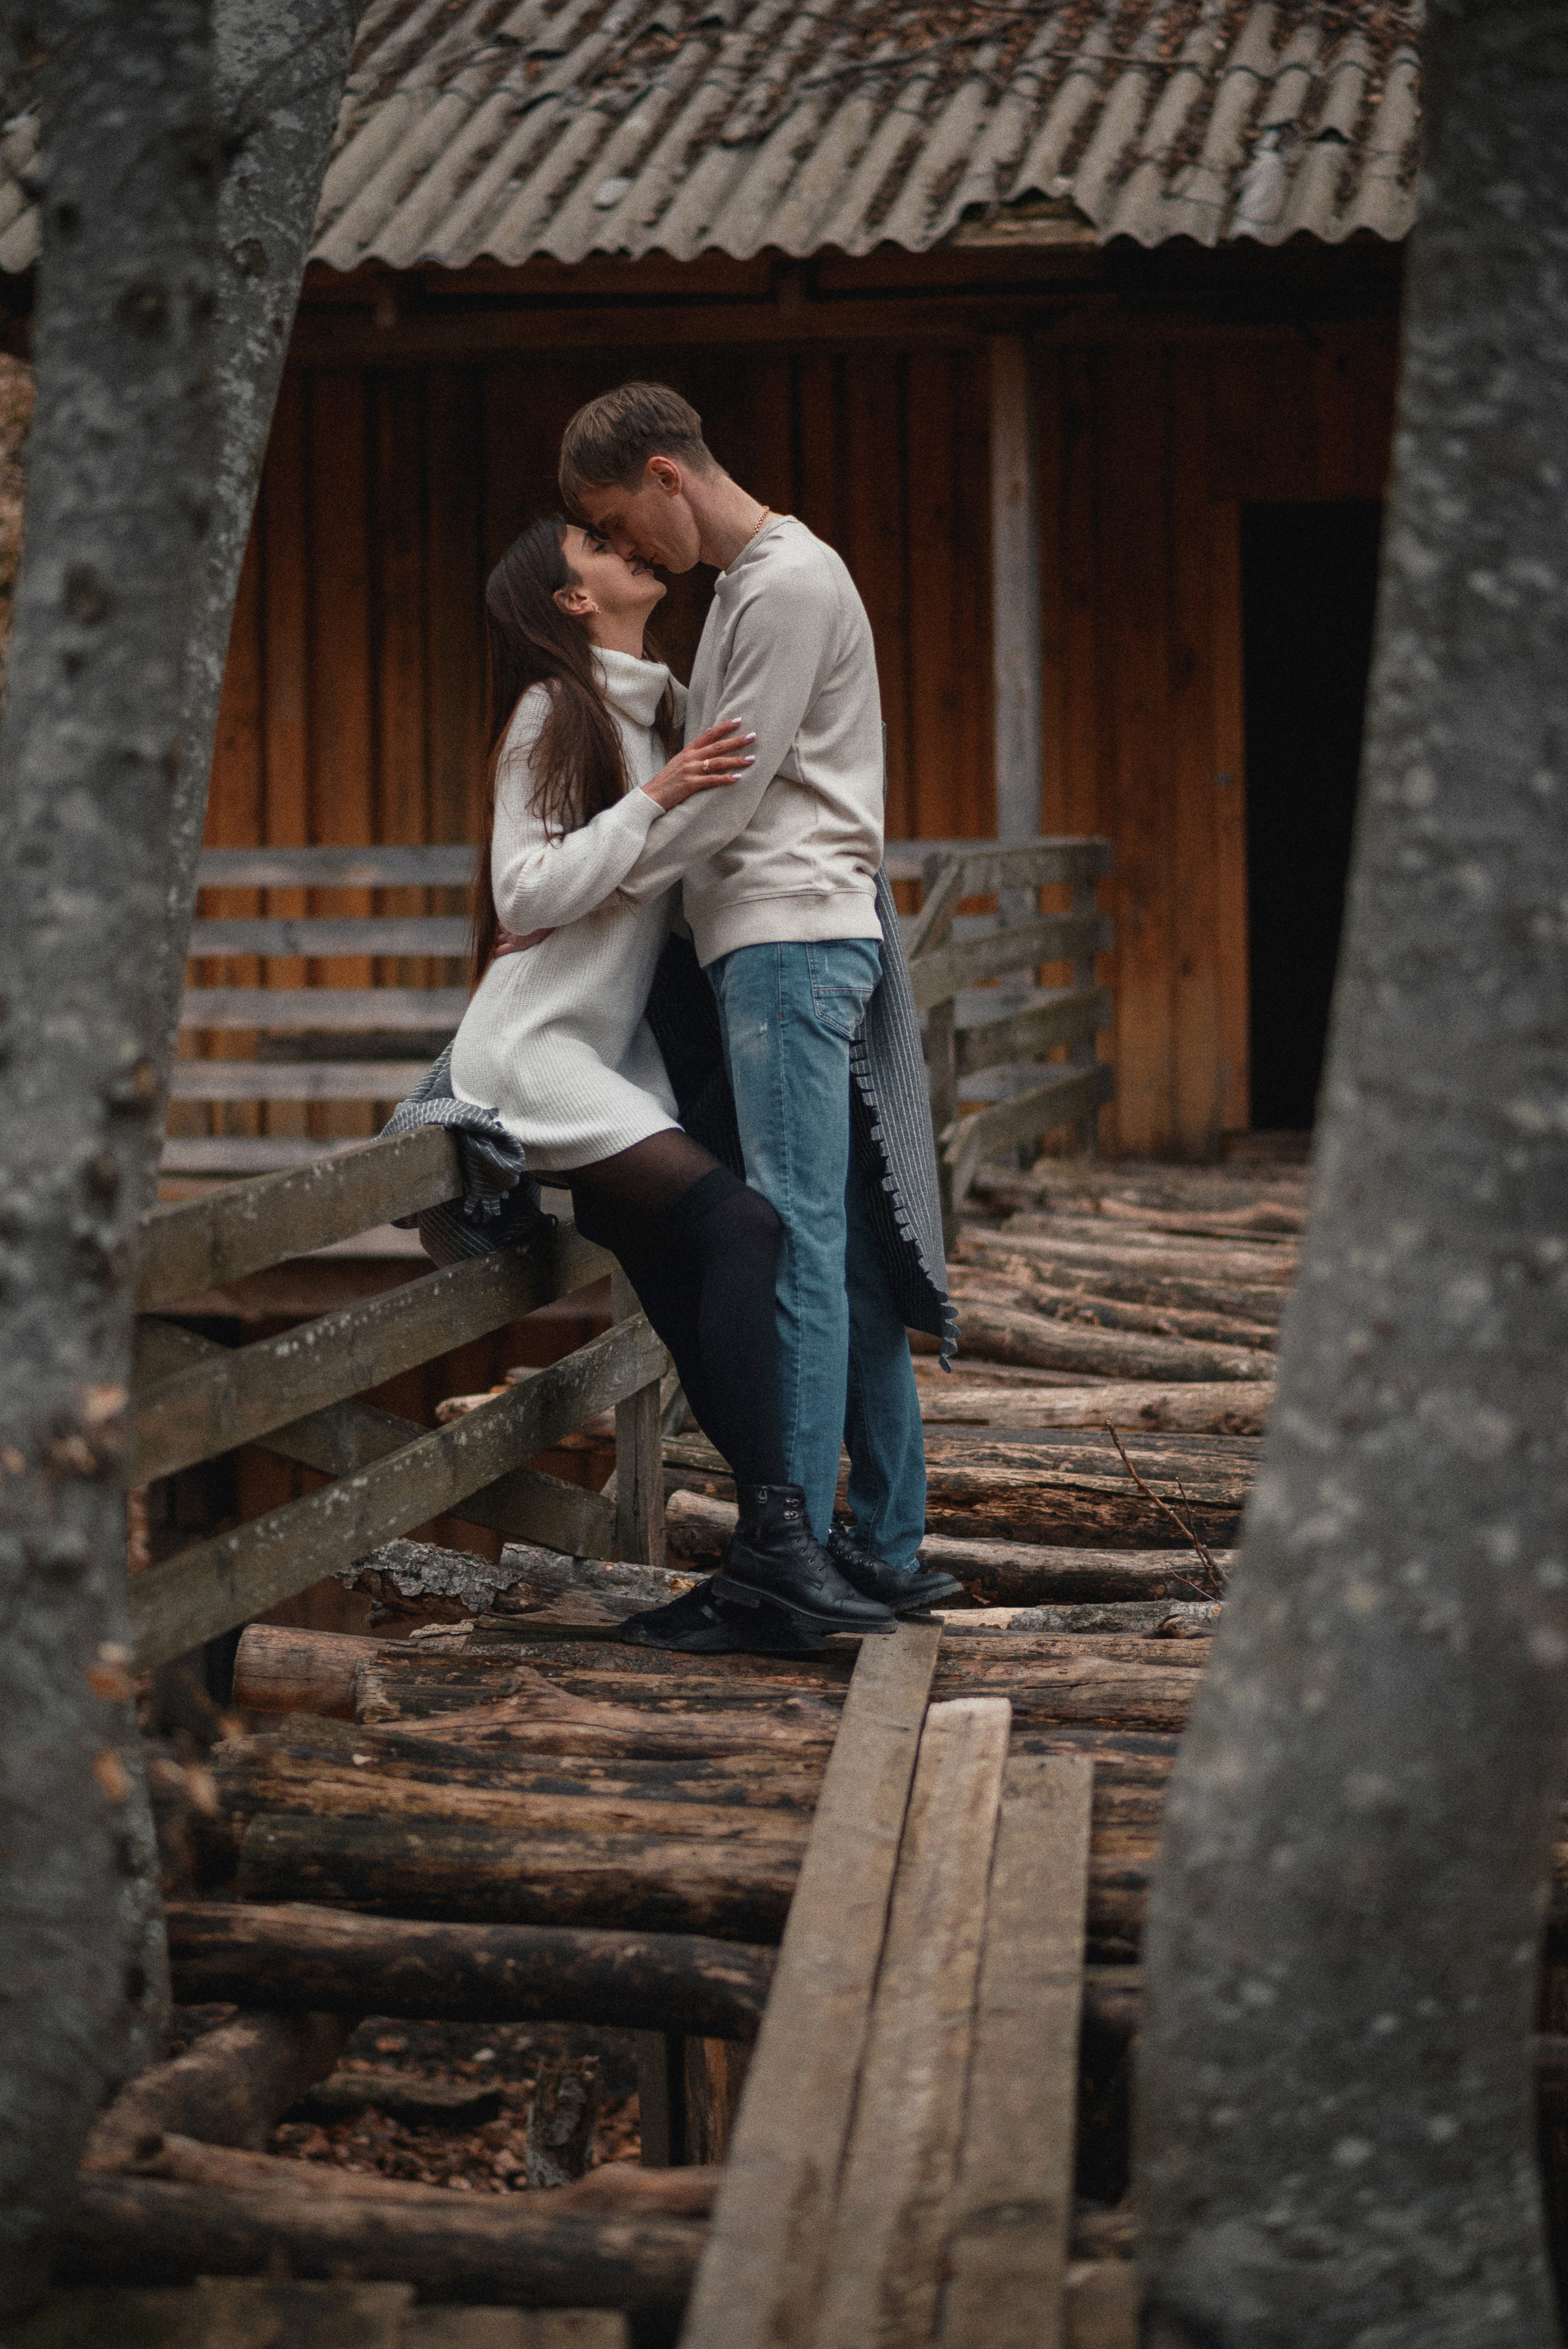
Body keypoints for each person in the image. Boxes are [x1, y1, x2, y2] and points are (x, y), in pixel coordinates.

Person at [446, 515, 896, 1638]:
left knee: (697, 1300)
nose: (626, 544)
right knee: (744, 1231)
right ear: (573, 599)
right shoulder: (557, 711)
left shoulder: (662, 704)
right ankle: (781, 1541)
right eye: (595, 543)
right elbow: (524, 891)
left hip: (610, 1059)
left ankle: (762, 1562)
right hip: (536, 1055)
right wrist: (652, 799)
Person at [559, 383, 960, 1619]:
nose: (629, 549)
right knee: (832, 1242)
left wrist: (601, 883)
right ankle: (884, 1548)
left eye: (622, 519)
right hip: (780, 942)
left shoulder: (787, 585)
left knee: (790, 1239)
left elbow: (725, 805)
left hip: (786, 941)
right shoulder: (746, 590)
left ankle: (783, 1554)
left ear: (669, 476)